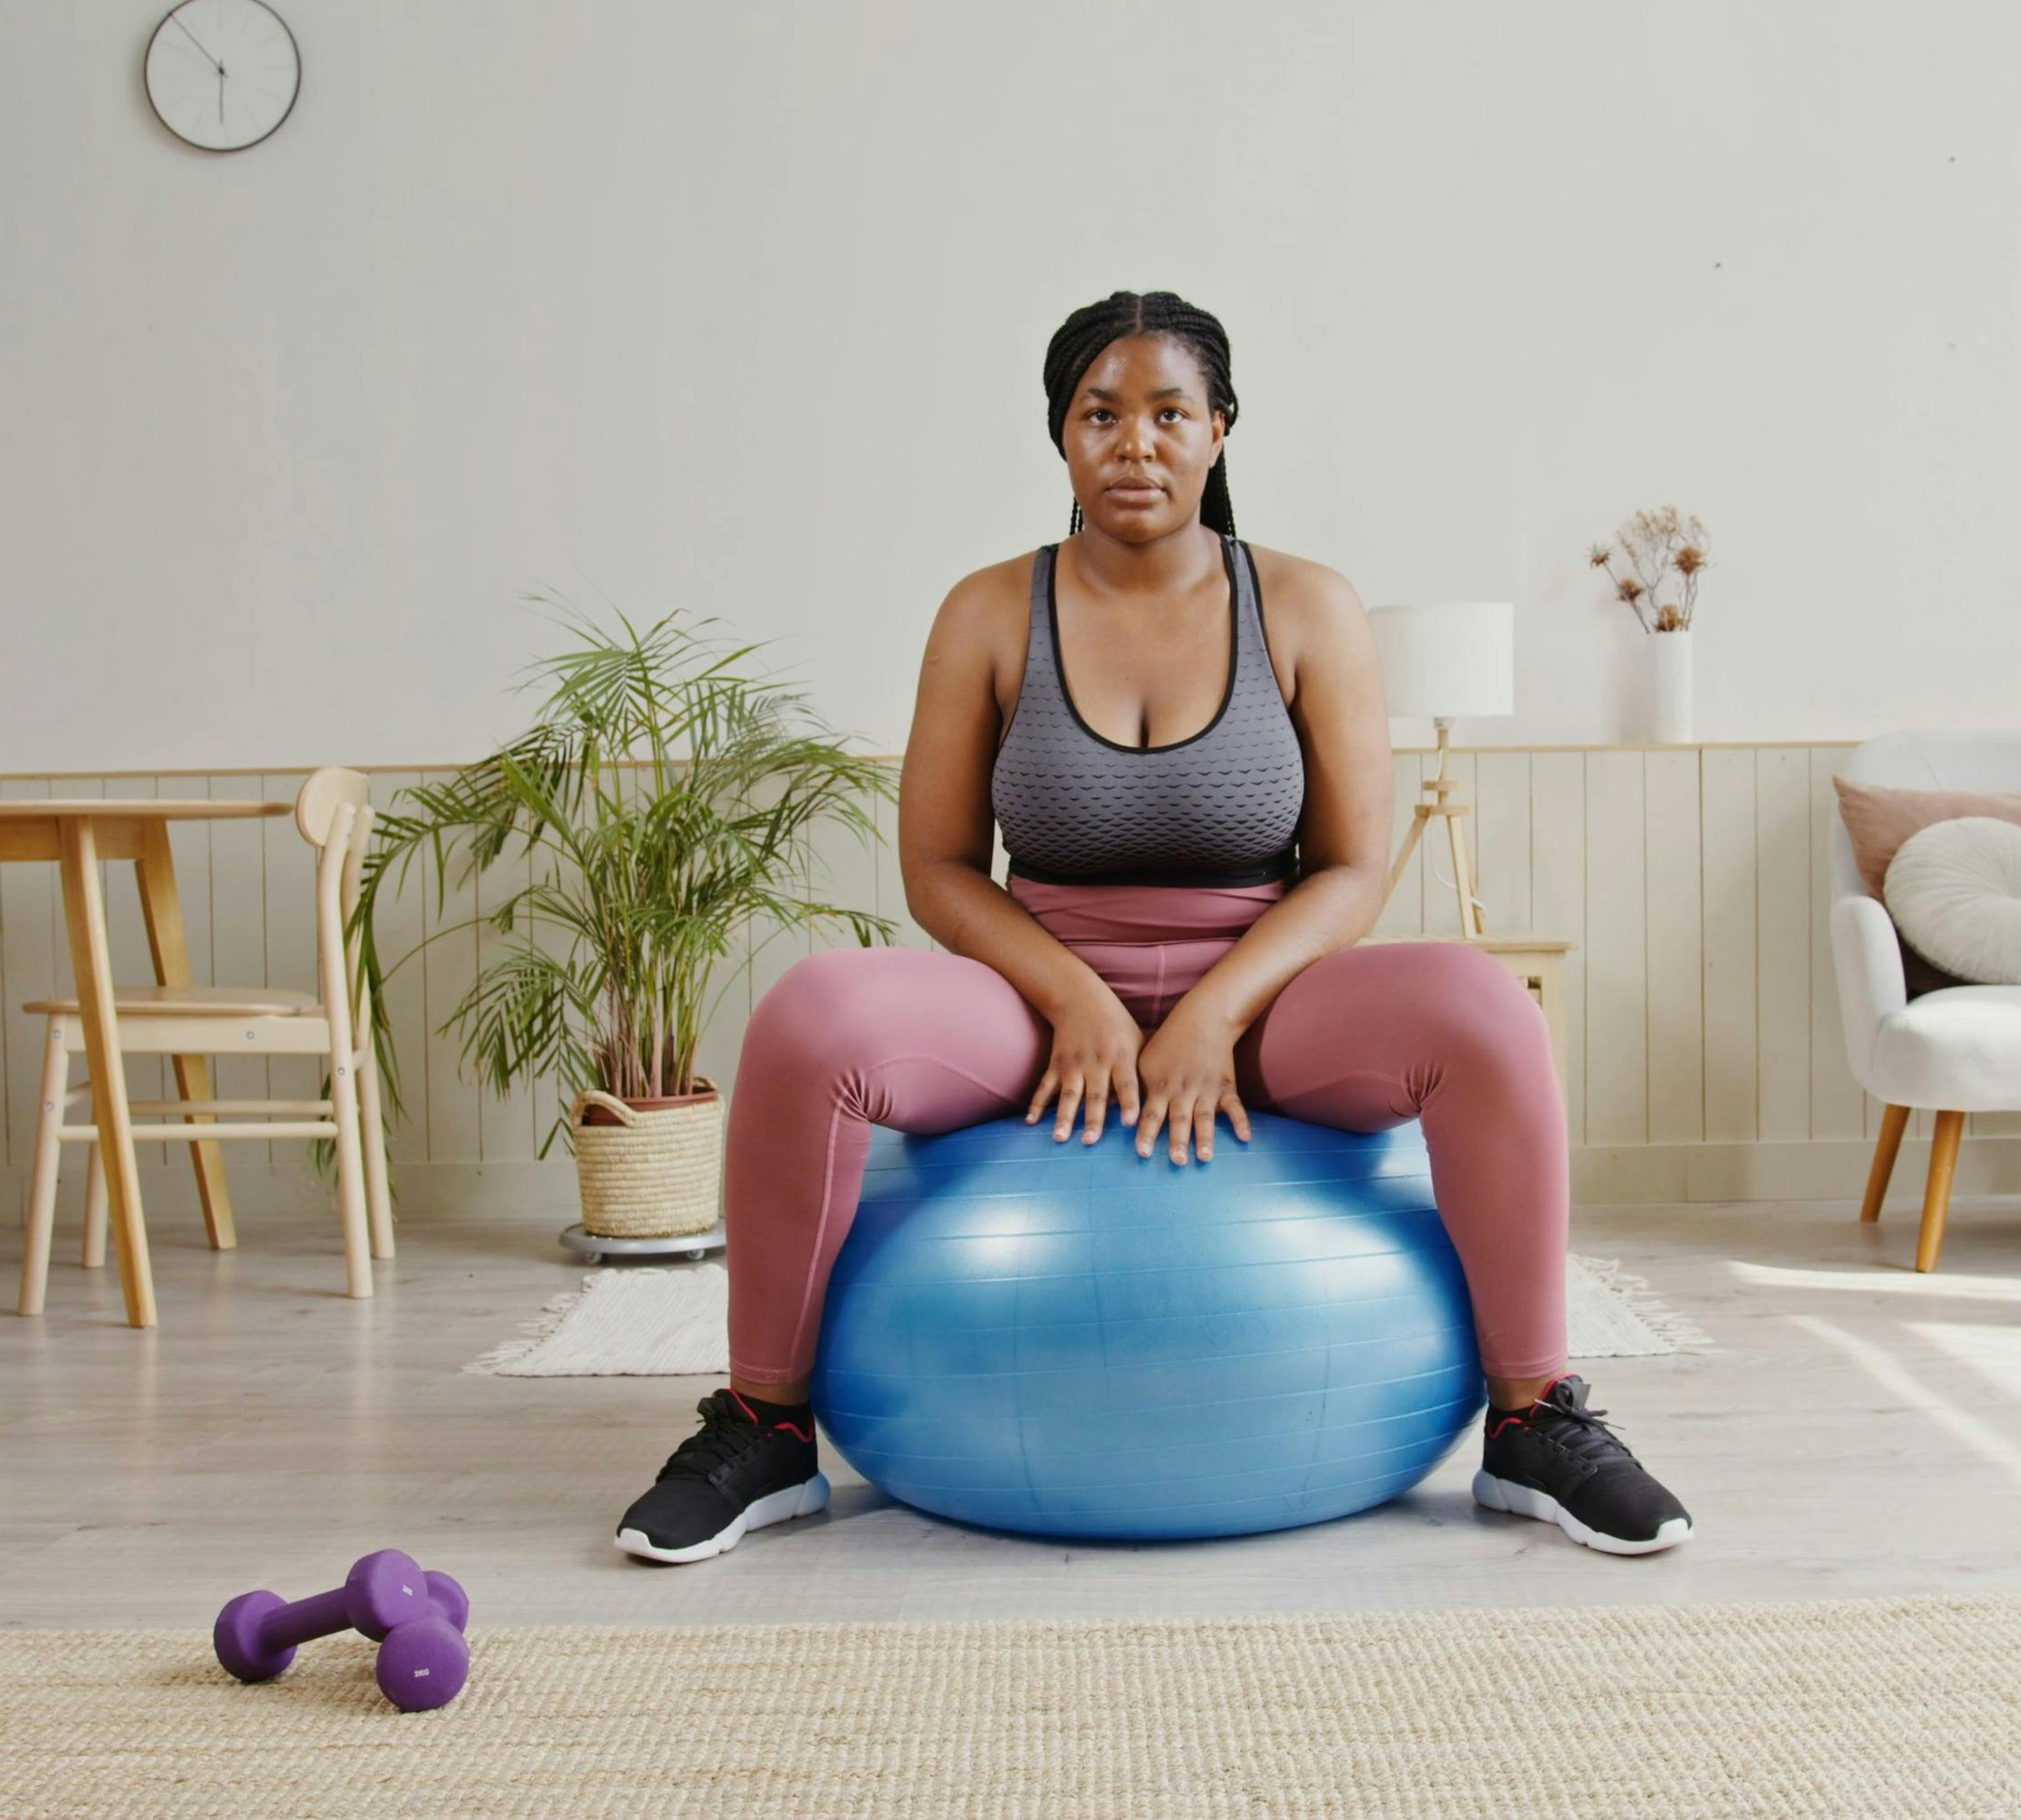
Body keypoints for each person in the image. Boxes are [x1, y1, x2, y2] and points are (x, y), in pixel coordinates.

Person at [616, 290, 1690, 1564]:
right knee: (811, 1017)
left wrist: (1221, 1007)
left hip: (1264, 998)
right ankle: (766, 1429)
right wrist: (1072, 995)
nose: (1136, 442)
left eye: (1169, 412)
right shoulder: (982, 613)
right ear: (1063, 439)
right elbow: (940, 867)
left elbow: (1348, 869)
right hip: (1033, 994)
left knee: (1483, 1010)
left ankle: (1529, 1425)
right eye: (1101, 414)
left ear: (1222, 429)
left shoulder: (1306, 606)